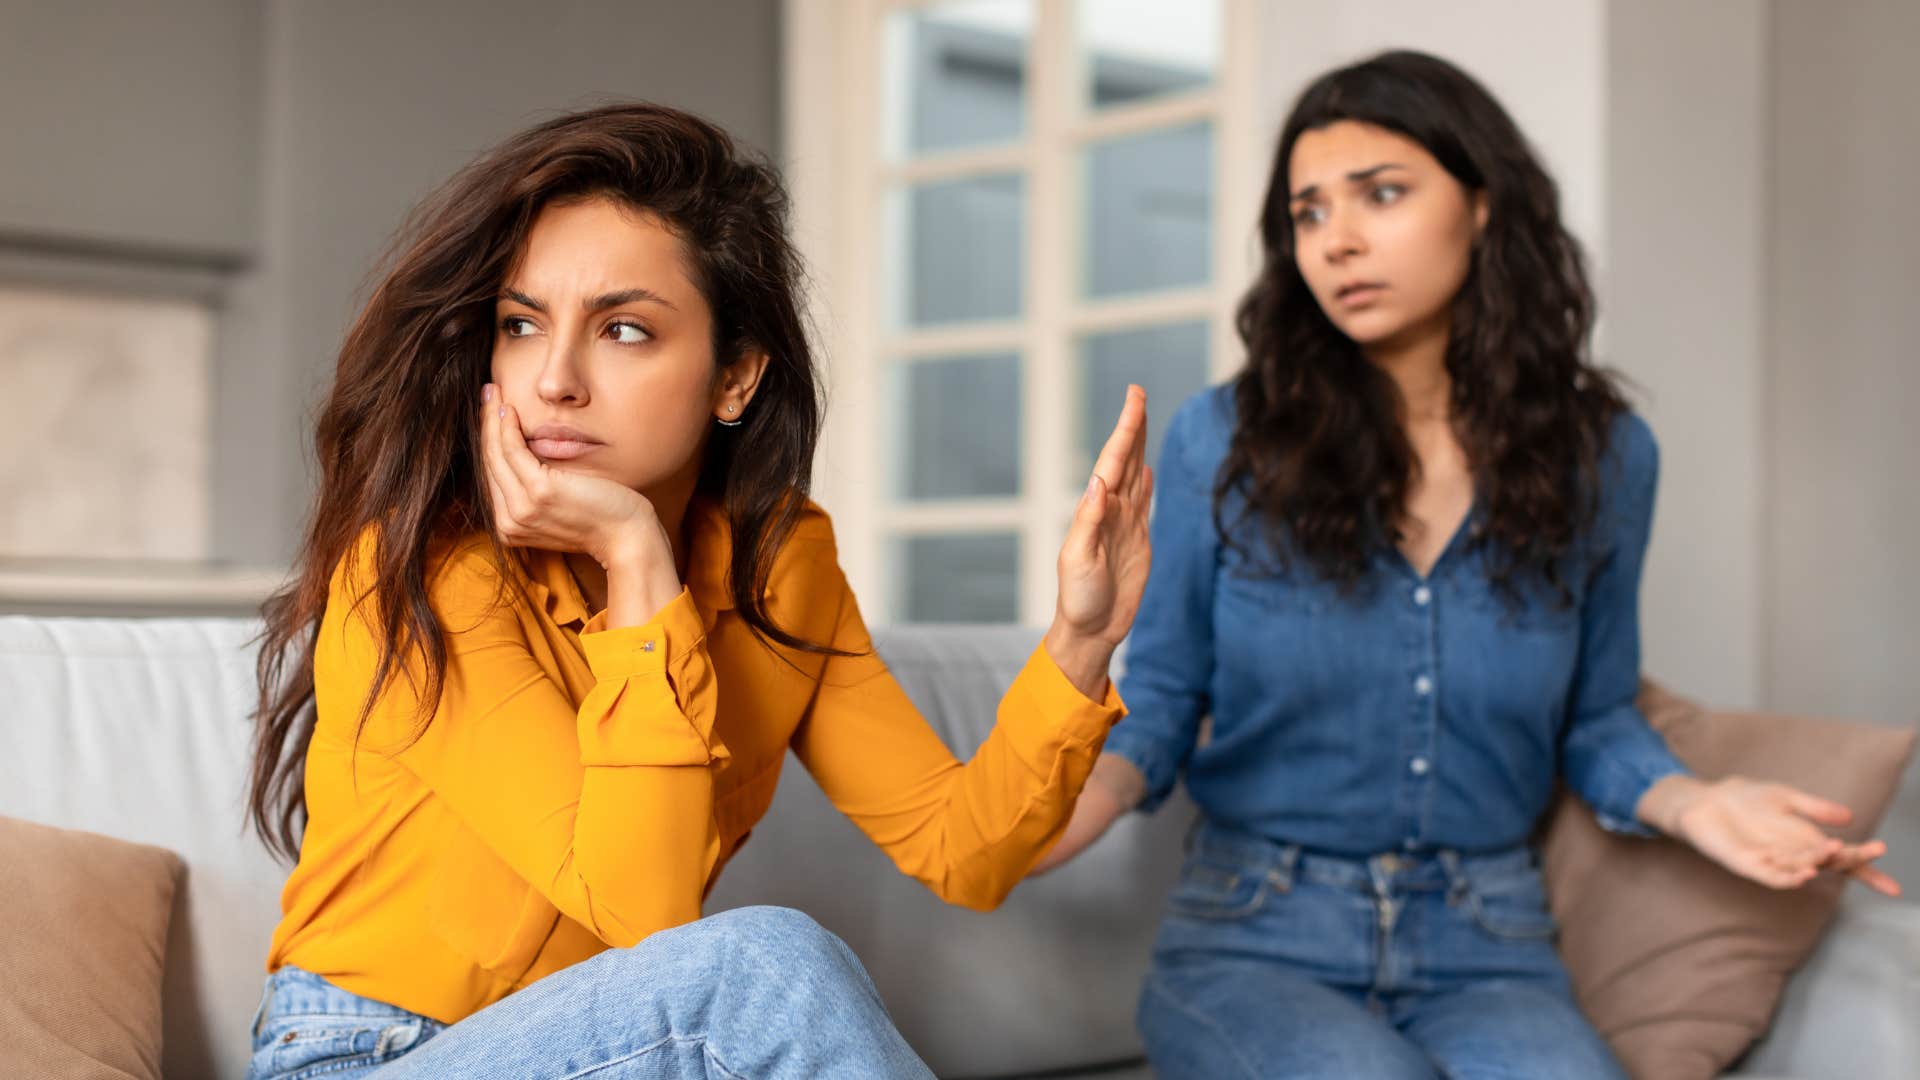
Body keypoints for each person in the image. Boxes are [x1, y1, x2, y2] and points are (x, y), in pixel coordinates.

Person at [1031, 50, 1898, 1079]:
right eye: (1309, 213)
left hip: (1490, 945)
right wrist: (1030, 824)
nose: (1338, 240)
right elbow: (1164, 700)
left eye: (1381, 194)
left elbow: (1596, 717)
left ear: (1483, 206)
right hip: (1255, 936)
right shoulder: (1222, 439)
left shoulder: (1606, 457)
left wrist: (1697, 805)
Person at [242, 102, 1154, 1079]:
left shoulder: (778, 564)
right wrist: (636, 558)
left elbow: (962, 850)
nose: (555, 379)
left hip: (624, 1056)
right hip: (365, 1053)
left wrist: (1083, 639)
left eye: (624, 330)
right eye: (522, 324)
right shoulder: (422, 573)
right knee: (758, 967)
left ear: (735, 379)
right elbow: (648, 922)